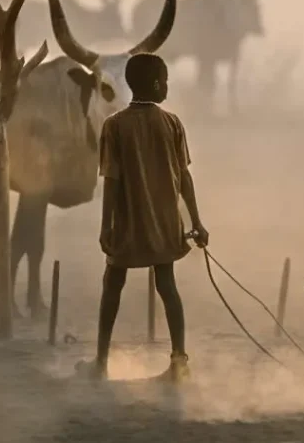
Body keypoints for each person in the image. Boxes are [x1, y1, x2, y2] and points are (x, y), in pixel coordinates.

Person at [80, 52, 208, 382]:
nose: (167, 86)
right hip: (165, 221)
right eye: (164, 80)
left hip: (128, 221)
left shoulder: (114, 126)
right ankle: (179, 361)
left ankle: (101, 361)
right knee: (167, 285)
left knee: (113, 284)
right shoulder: (172, 123)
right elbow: (184, 177)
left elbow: (111, 179)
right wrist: (196, 221)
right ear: (156, 84)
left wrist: (106, 225)